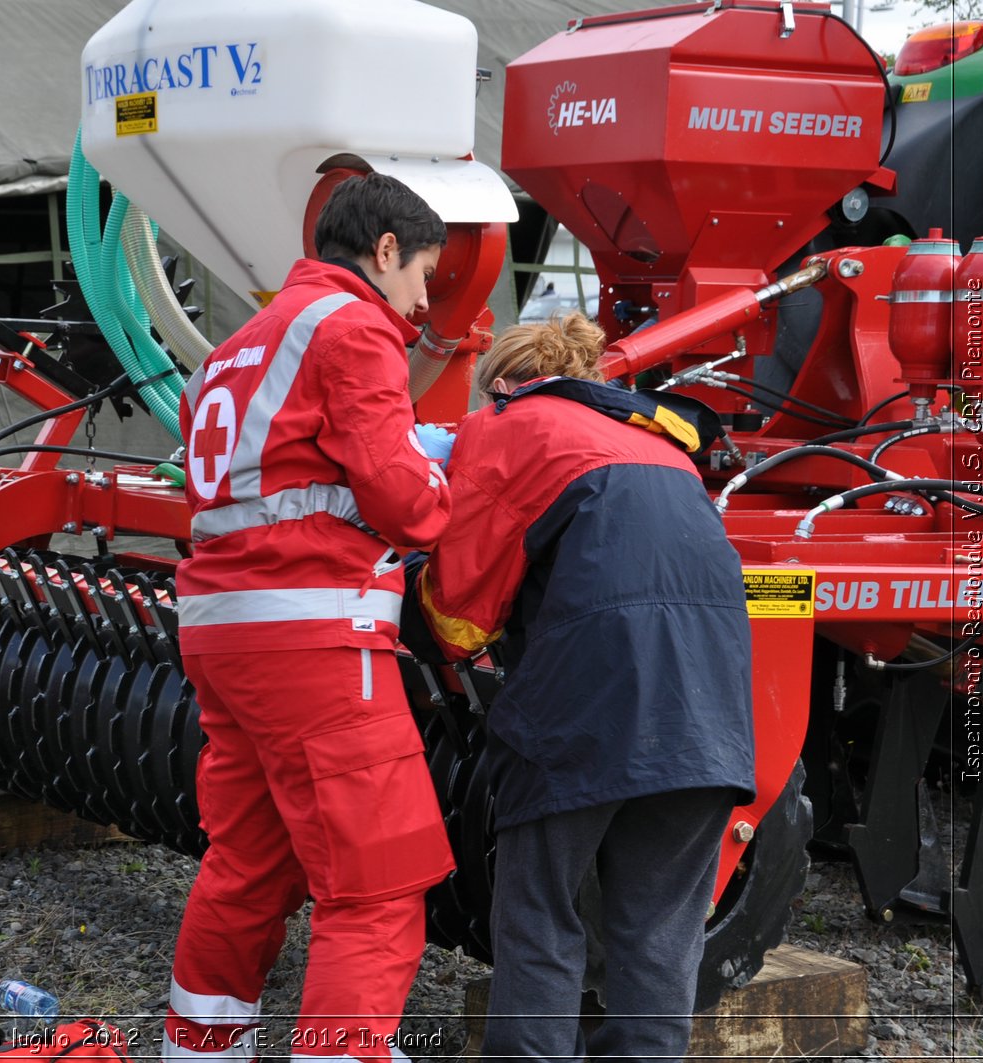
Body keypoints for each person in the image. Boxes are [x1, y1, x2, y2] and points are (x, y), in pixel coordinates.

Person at [166, 172, 457, 1063]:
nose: (421, 303)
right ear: (384, 252)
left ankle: (201, 1049)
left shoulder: (237, 345)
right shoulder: (356, 326)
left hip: (224, 632)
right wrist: (447, 478)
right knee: (374, 884)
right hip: (317, 633)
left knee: (248, 862)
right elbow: (402, 497)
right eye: (423, 278)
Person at [415, 313, 756, 1062]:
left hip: (586, 711)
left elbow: (459, 611)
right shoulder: (663, 446)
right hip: (711, 718)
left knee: (541, 912)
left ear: (503, 382)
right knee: (662, 930)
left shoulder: (509, 424)